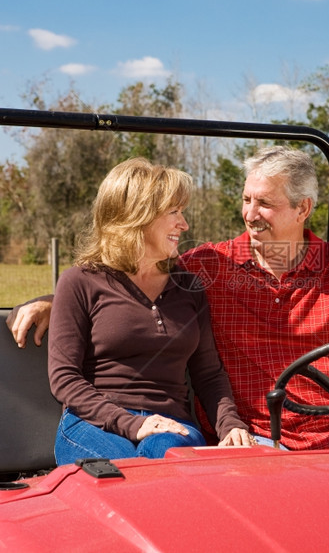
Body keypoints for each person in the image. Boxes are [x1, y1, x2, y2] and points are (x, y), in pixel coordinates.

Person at [10, 147, 329, 451]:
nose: (250, 214)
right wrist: (54, 301)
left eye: (266, 204)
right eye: (246, 200)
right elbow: (125, 276)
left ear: (303, 208)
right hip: (249, 436)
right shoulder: (208, 266)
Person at [46, 157, 252, 465]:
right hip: (92, 424)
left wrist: (230, 425)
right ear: (136, 216)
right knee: (128, 470)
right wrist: (134, 424)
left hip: (172, 425)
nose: (184, 224)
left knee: (160, 456)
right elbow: (64, 378)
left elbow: (209, 374)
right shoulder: (80, 281)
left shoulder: (188, 287)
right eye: (174, 212)